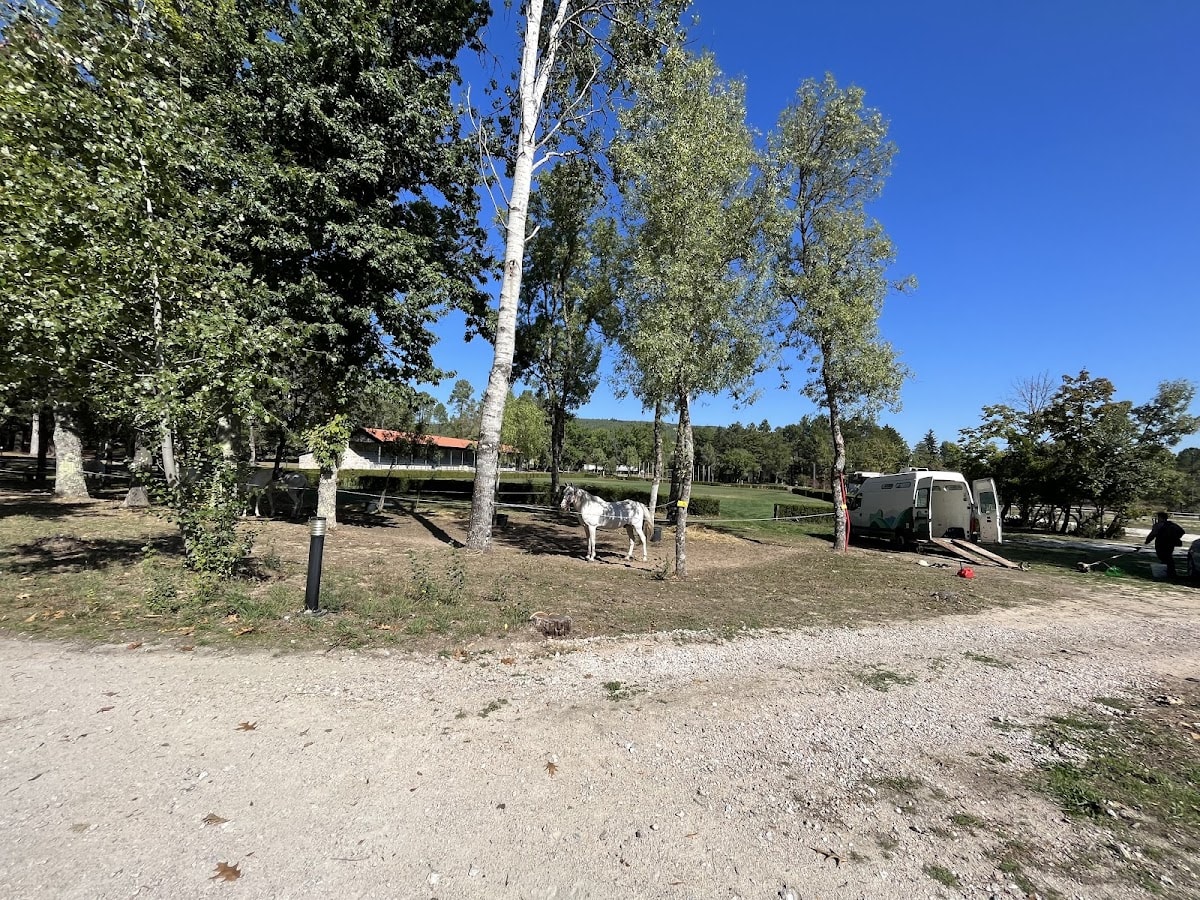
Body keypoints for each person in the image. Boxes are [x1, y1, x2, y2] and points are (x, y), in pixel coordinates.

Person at [1143, 511, 1185, 579]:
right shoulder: (1171, 524)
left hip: (1161, 544)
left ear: (1160, 517)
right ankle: (1170, 572)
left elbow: (1153, 534)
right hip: (1170, 544)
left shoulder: (1159, 525)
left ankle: (1167, 573)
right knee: (1168, 557)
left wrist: (1147, 541)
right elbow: (1182, 531)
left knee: (1163, 557)